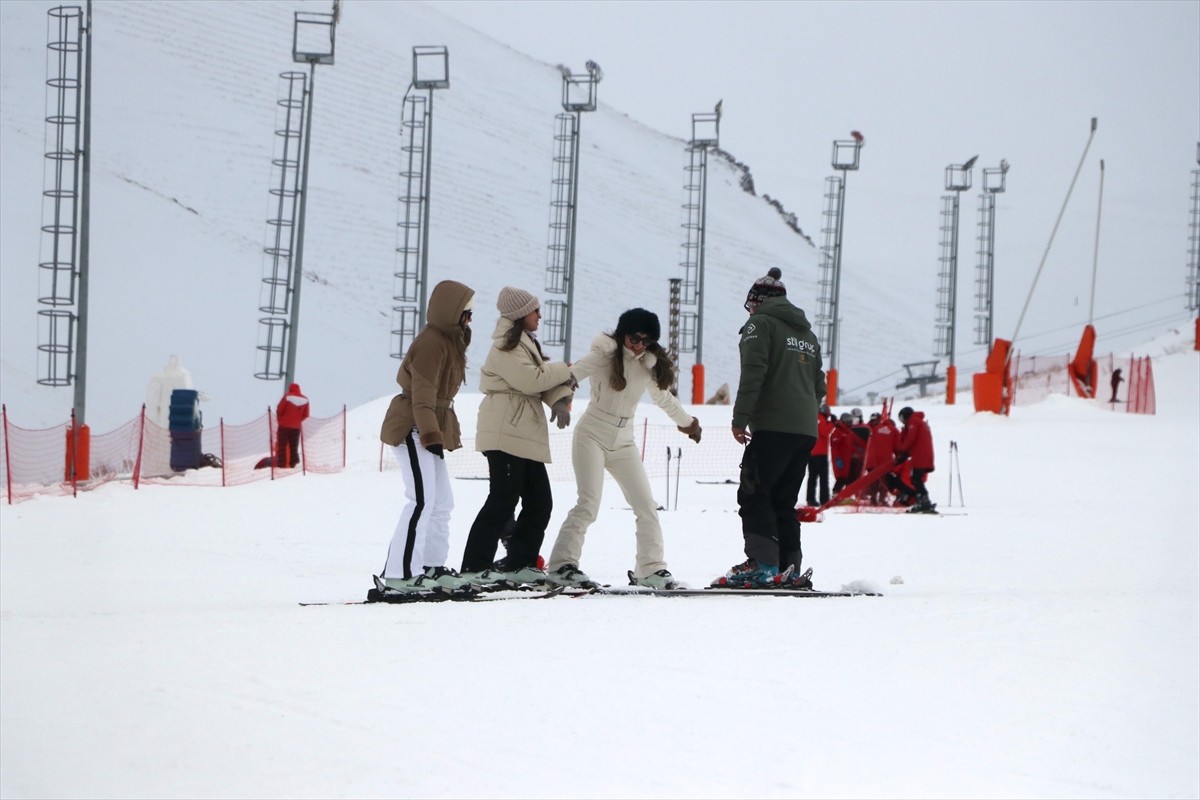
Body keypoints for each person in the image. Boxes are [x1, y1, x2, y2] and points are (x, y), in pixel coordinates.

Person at [545, 308, 702, 590]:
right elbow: (572, 376)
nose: (639, 344)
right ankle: (562, 566)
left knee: (646, 506)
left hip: (624, 440)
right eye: (634, 337)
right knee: (588, 503)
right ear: (622, 333)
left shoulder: (648, 365)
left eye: (646, 340)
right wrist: (560, 399)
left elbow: (664, 399)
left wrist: (689, 424)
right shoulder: (604, 354)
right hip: (592, 433)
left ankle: (650, 569)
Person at [717, 267, 825, 589]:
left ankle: (762, 565)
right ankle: (788, 567)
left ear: (758, 301)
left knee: (754, 492)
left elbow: (753, 373)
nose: (749, 310)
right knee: (782, 500)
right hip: (805, 429)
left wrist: (740, 418)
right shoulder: (807, 334)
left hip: (774, 425)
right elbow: (819, 385)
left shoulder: (759, 324)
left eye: (750, 304)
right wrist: (802, 410)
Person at [459, 287, 575, 586]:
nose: (540, 315)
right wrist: (566, 370)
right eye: (536, 310)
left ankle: (520, 562)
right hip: (505, 431)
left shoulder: (524, 343)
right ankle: (474, 566)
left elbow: (537, 382)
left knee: (540, 501)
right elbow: (529, 380)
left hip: (522, 433)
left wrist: (559, 399)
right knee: (503, 500)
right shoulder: (505, 347)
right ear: (522, 314)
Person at [377, 280, 475, 592]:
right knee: (421, 500)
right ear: (452, 311)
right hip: (412, 426)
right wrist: (430, 431)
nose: (470, 319)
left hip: (428, 427)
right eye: (466, 312)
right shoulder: (431, 343)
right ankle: (400, 574)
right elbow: (421, 395)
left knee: (442, 502)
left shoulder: (449, 342)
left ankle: (431, 566)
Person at [895, 406, 936, 513]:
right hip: (925, 454)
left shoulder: (913, 421)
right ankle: (923, 500)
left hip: (920, 455)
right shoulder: (921, 422)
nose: (903, 422)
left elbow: (911, 438)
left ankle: (924, 501)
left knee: (916, 479)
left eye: (902, 419)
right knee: (916, 478)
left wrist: (903, 450)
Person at [805, 403, 835, 507]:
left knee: (812, 477)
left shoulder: (813, 419)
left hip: (811, 452)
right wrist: (832, 423)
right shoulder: (822, 420)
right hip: (821, 454)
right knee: (823, 477)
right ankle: (825, 500)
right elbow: (825, 432)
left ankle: (810, 499)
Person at [275, 382, 310, 468]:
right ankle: (294, 463)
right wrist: (297, 420)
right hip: (296, 427)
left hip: (284, 425)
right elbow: (306, 414)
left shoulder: (287, 397)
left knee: (282, 445)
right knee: (293, 445)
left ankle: (282, 464)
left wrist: (281, 418)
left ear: (290, 389)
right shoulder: (305, 399)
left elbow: (279, 409)